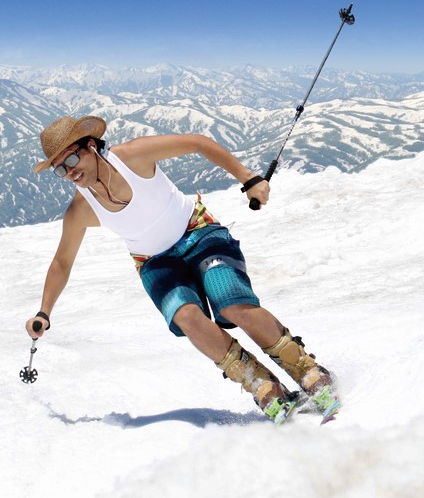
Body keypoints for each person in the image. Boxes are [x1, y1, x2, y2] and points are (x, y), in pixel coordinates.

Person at [25, 115, 340, 423]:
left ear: (90, 145)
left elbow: (198, 143)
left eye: (71, 160)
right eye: (60, 170)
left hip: (198, 232)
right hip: (155, 262)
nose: (70, 173)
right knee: (186, 316)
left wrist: (249, 179)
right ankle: (263, 387)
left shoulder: (131, 157)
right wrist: (44, 312)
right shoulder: (82, 208)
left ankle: (307, 370)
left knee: (230, 303)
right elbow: (62, 262)